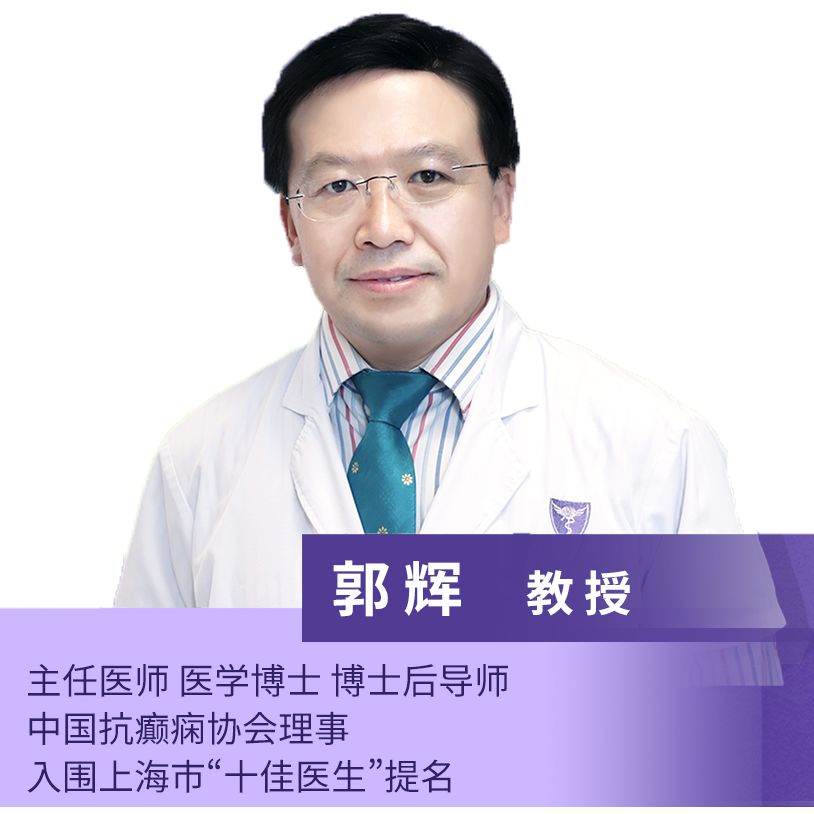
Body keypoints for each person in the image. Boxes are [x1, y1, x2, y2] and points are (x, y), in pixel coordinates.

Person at [115, 13, 747, 608]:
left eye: (427, 178)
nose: (382, 228)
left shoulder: (657, 451)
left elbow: (732, 689)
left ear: (501, 201)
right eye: (337, 186)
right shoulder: (198, 465)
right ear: (291, 226)